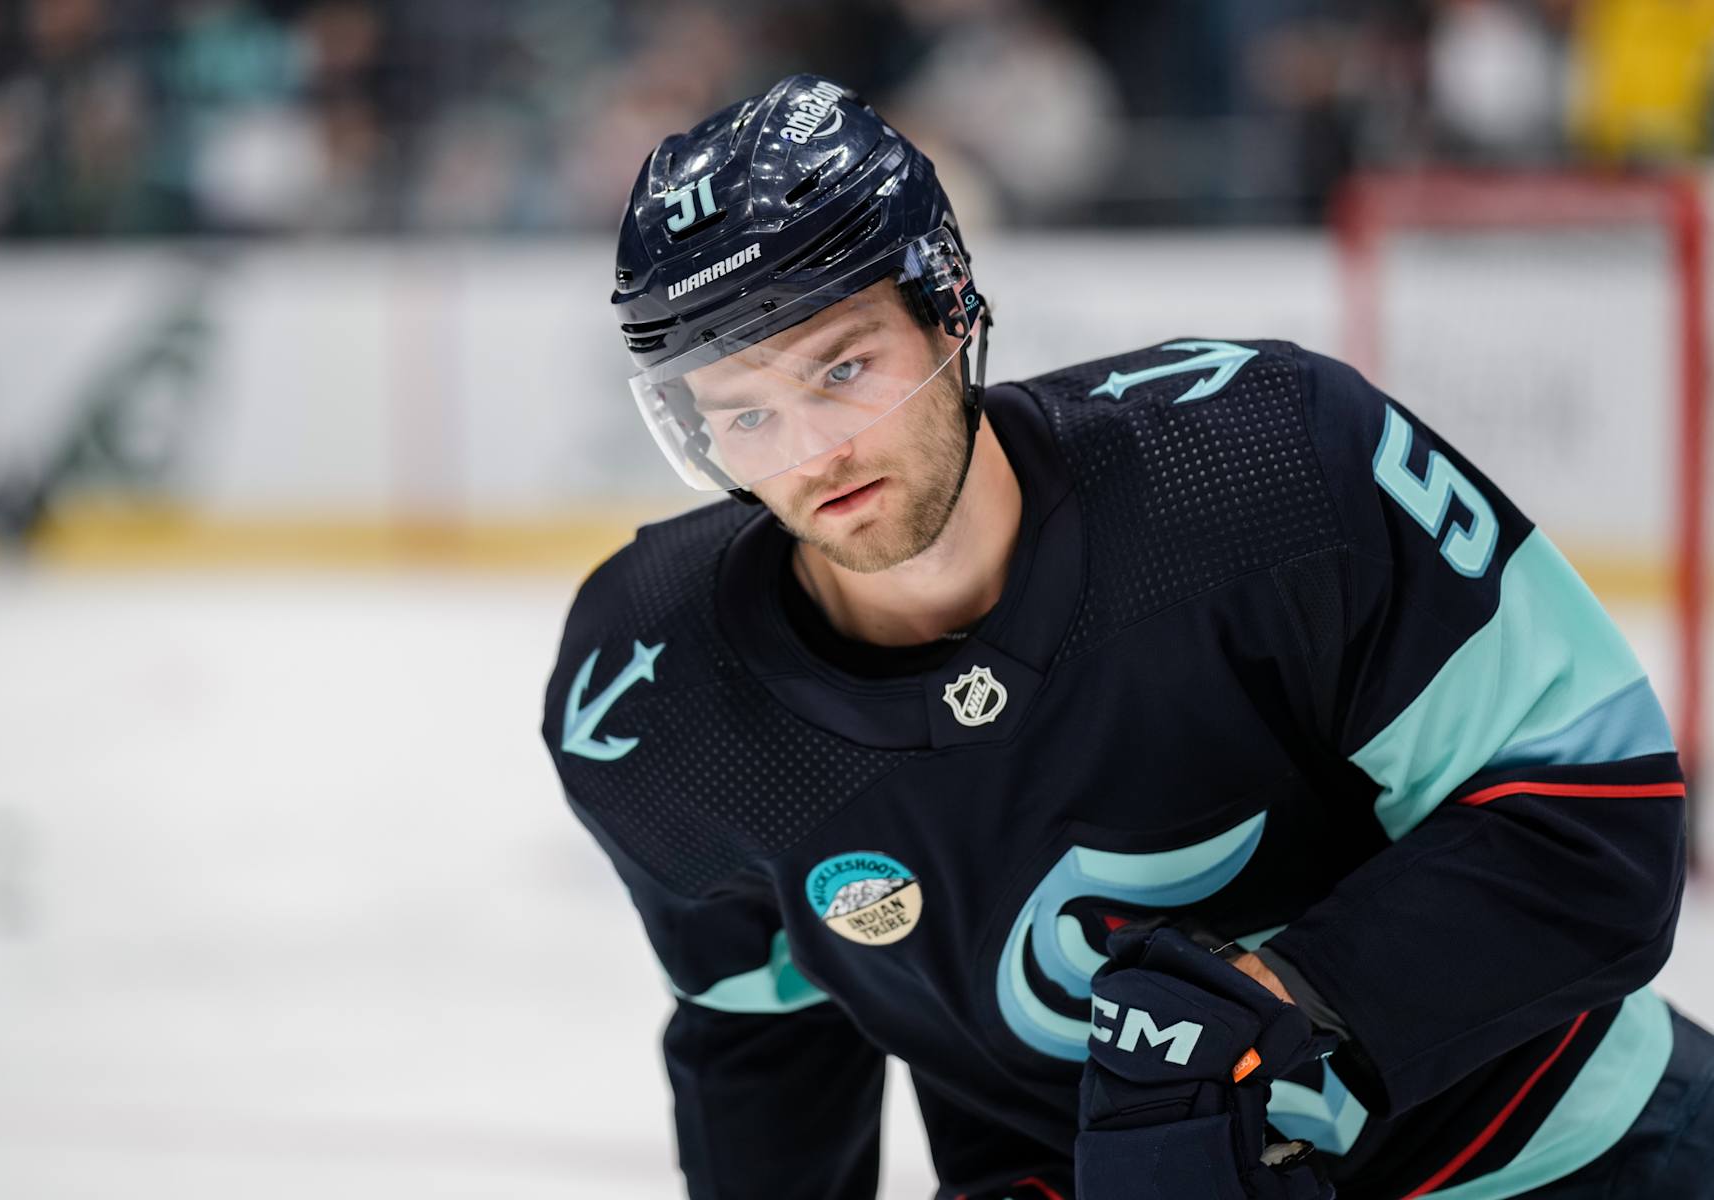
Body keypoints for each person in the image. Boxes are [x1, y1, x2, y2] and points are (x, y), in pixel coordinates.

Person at [541, 74, 1713, 1199]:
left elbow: (1587, 817)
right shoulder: (656, 699)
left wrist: (1291, 1006)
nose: (811, 453)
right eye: (744, 413)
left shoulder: (1266, 463)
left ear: (948, 306)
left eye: (843, 369)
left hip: (1554, 1155)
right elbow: (760, 1042)